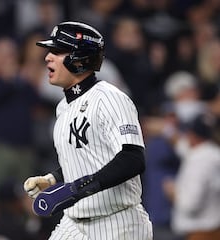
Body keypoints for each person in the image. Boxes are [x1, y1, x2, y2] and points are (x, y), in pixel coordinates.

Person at [23, 21, 153, 239]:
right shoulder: (63, 107)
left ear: (80, 59)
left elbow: (133, 158)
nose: (47, 57)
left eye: (57, 51)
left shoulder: (110, 98)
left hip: (118, 223)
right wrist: (53, 179)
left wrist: (75, 189)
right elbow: (89, 158)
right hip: (74, 224)